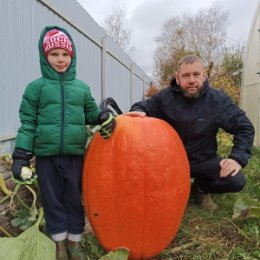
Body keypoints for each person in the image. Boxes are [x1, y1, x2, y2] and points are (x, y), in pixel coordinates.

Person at [11, 25, 116, 260]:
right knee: (52, 200)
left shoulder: (81, 88)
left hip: (75, 156)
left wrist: (102, 115)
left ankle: (74, 242)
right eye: (54, 54)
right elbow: (28, 124)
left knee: (74, 199)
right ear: (44, 56)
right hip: (46, 158)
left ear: (72, 56)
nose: (60, 60)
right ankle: (59, 244)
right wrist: (20, 157)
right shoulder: (35, 89)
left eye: (65, 54)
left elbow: (91, 114)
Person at [126, 54, 255, 211]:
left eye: (196, 74)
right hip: (169, 163)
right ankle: (169, 191)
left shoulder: (217, 100)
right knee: (139, 177)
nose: (191, 80)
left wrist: (237, 158)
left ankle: (200, 188)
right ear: (178, 78)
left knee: (235, 181)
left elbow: (244, 127)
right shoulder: (164, 98)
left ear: (204, 76)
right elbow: (141, 107)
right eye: (186, 75)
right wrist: (138, 112)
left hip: (203, 161)